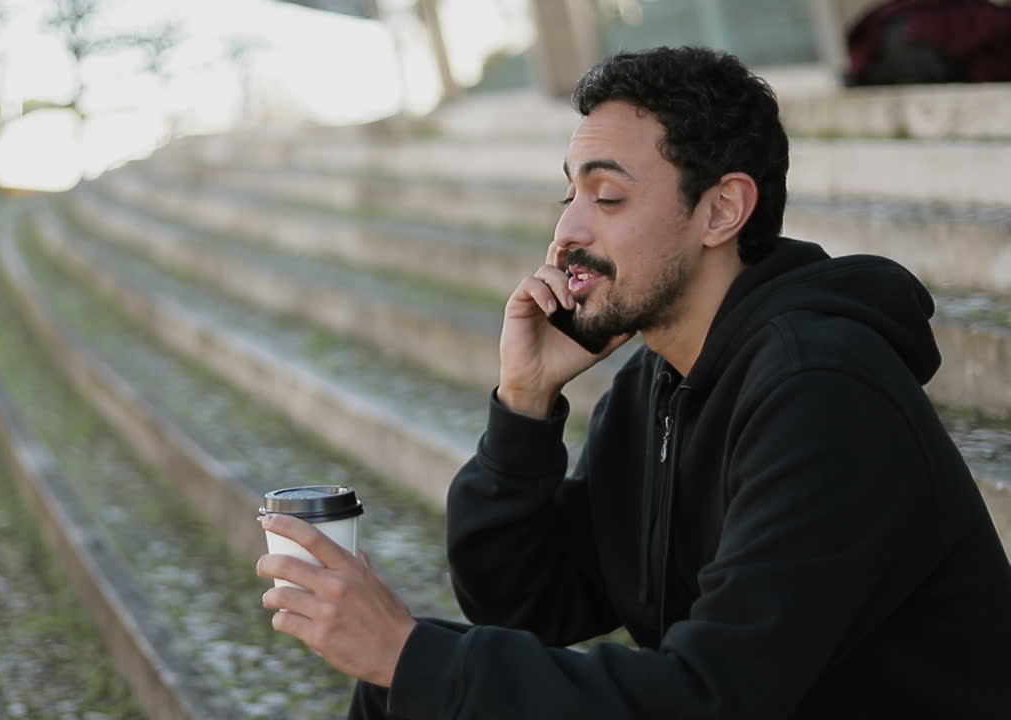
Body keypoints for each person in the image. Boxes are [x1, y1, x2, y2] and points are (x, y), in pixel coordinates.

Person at [255, 45, 1011, 718]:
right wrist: (523, 403)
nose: (569, 232)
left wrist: (403, 651)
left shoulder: (825, 392)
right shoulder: (659, 381)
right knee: (399, 697)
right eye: (570, 195)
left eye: (608, 196)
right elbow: (526, 606)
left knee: (417, 678)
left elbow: (713, 695)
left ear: (720, 210)